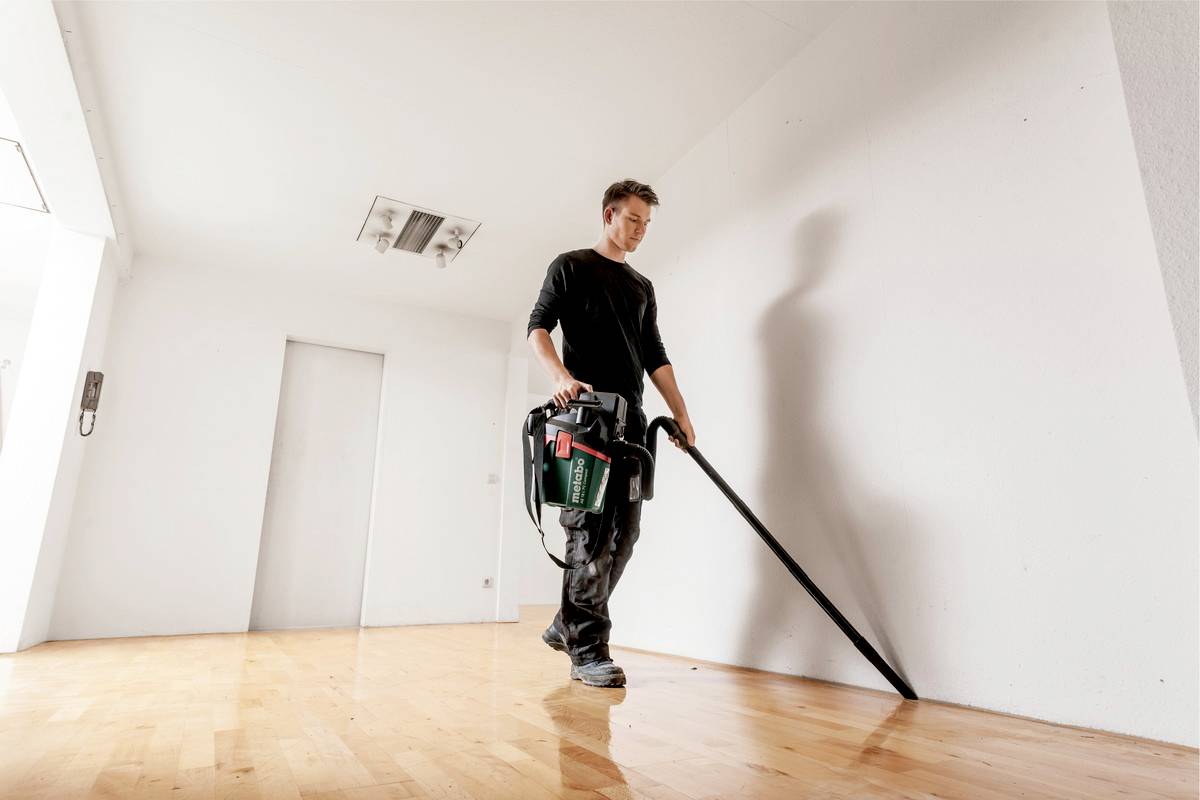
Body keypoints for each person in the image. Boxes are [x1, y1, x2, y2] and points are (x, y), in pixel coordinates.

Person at [526, 179, 696, 688]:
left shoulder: (642, 287)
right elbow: (537, 327)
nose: (640, 230)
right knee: (589, 535)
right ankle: (588, 651)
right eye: (632, 219)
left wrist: (681, 413)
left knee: (626, 534)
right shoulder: (571, 266)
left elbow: (654, 355)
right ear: (609, 214)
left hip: (634, 424)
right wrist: (561, 378)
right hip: (587, 420)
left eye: (646, 223)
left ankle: (566, 624)